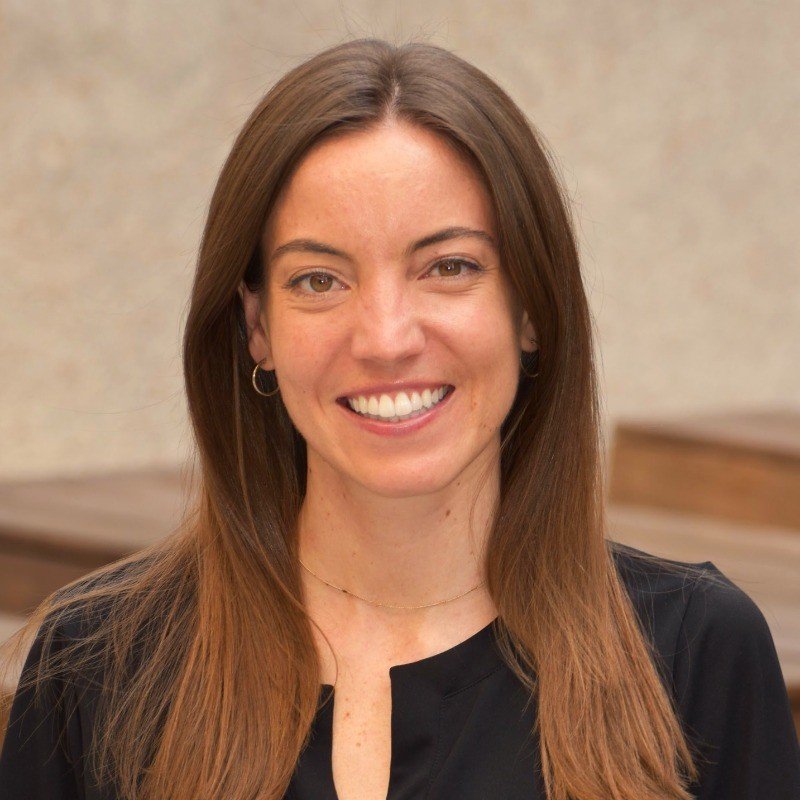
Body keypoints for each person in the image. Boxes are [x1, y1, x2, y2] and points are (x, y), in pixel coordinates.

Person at [1, 37, 799, 800]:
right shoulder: (94, 668)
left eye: (448, 268)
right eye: (319, 280)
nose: (385, 338)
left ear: (530, 310)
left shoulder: (695, 655)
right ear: (256, 328)